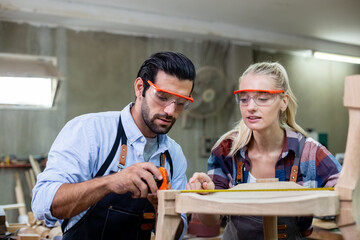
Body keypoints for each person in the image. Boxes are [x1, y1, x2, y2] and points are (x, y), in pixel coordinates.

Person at [32, 51, 196, 240]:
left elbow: (175, 235)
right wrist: (110, 182)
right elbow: (43, 203)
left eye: (181, 102)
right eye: (162, 96)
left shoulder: (173, 155)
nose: (170, 111)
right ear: (140, 87)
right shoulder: (89, 131)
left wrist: (166, 209)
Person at [187, 62, 341, 240]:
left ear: (283, 101)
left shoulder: (310, 153)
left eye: (262, 98)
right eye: (244, 99)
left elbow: (349, 201)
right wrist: (206, 194)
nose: (250, 107)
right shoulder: (227, 151)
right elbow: (210, 221)